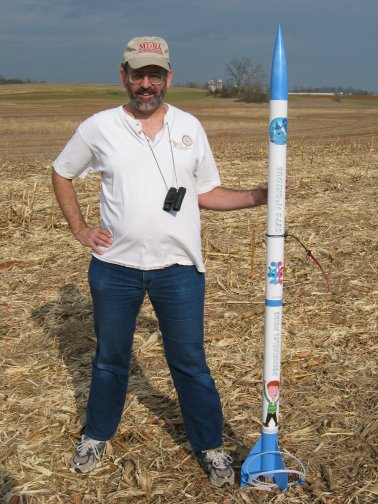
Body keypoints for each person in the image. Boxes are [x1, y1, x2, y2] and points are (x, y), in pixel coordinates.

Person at [52, 35, 268, 488]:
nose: (145, 84)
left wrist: (257, 197)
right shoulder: (99, 127)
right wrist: (79, 229)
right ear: (123, 75)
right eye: (137, 74)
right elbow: (62, 171)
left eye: (154, 75)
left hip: (180, 271)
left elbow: (205, 192)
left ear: (168, 76)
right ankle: (96, 435)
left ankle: (210, 447)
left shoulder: (190, 127)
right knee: (110, 359)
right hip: (114, 269)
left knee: (189, 362)